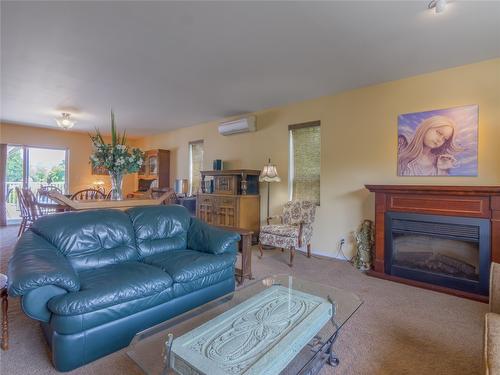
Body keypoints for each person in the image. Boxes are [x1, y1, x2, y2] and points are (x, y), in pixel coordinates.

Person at [398, 115, 462, 176]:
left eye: (445, 139)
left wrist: (442, 169)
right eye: (439, 133)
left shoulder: (439, 161)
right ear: (427, 127)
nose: (440, 140)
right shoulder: (402, 143)